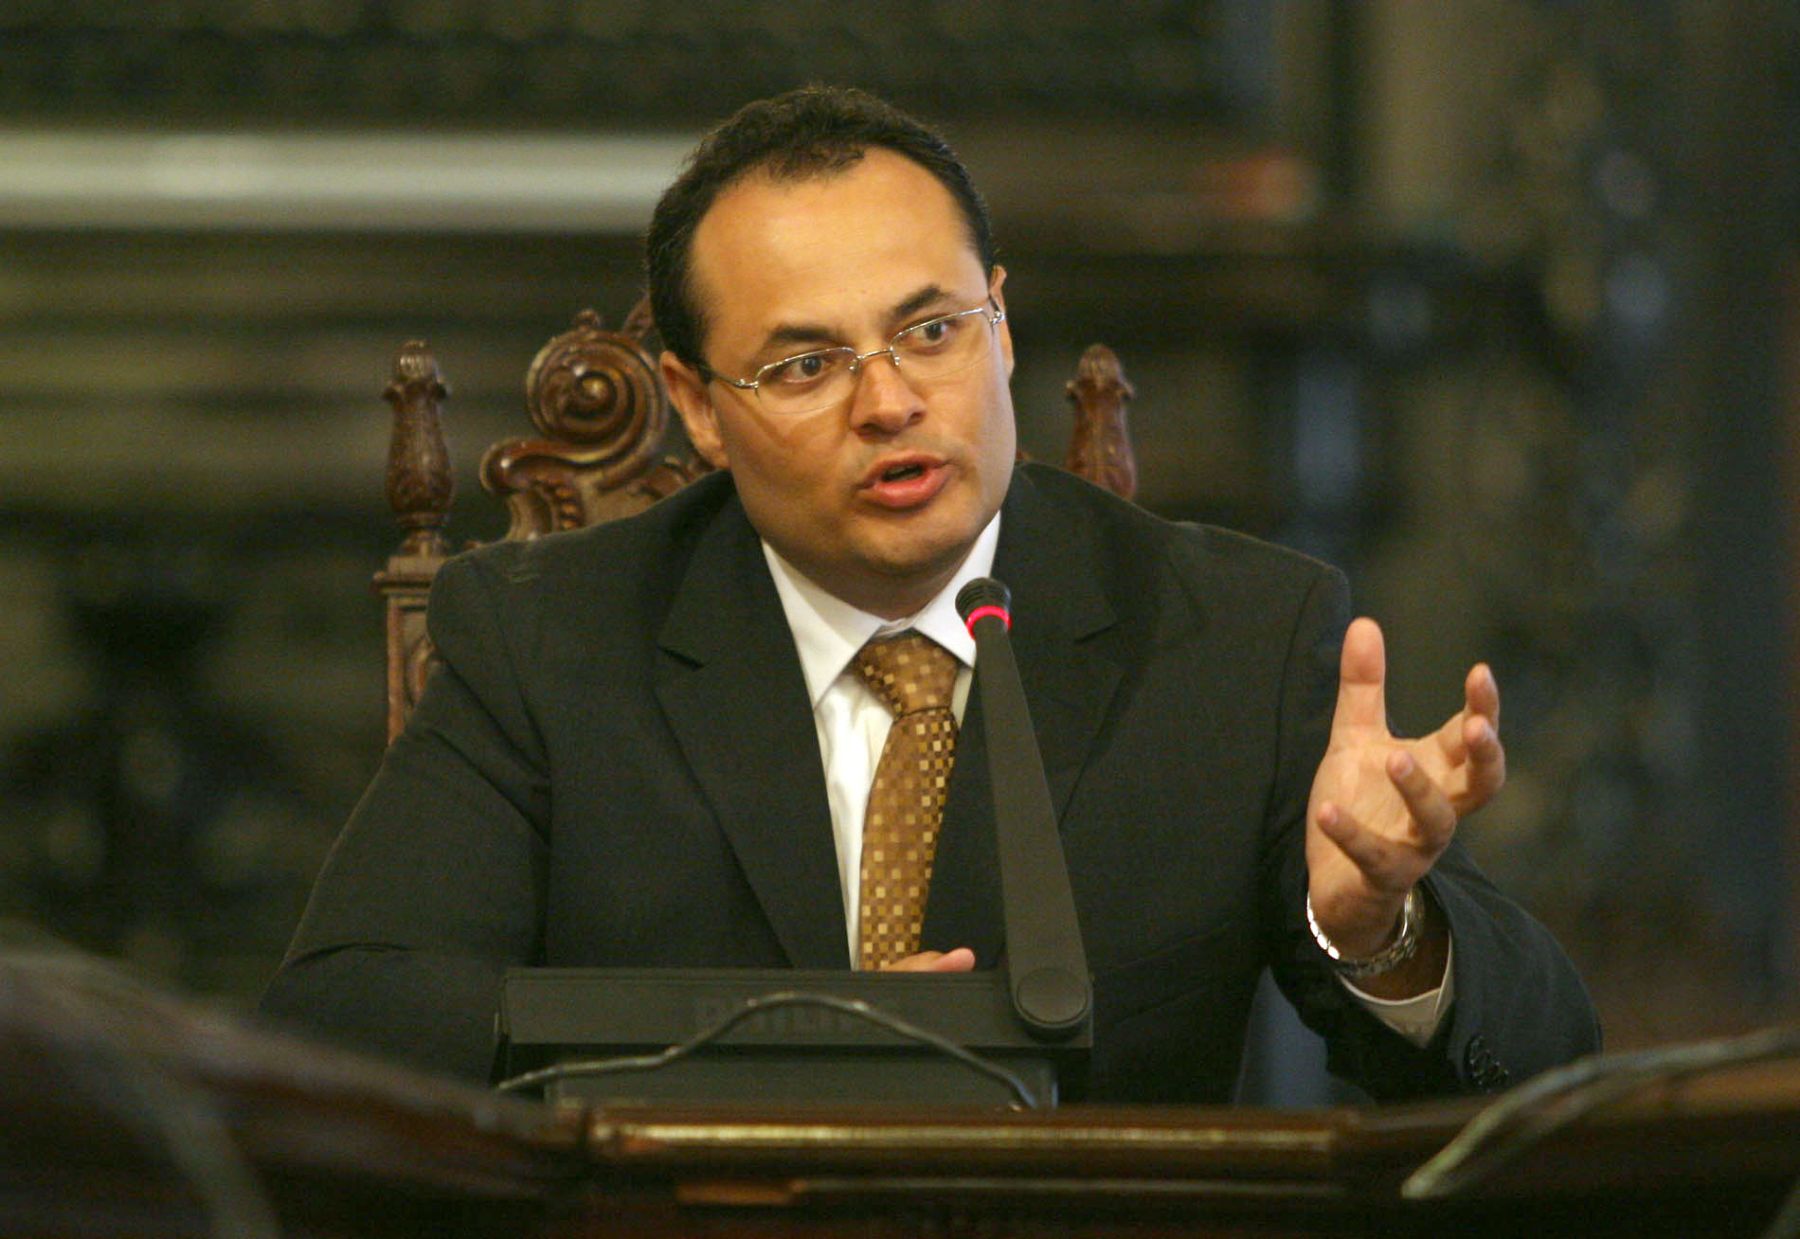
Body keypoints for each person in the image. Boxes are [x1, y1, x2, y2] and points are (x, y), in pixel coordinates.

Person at [262, 86, 1599, 1103]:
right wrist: (774, 1045)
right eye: (803, 366)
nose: (891, 400)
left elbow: (1544, 1068)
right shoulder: (548, 641)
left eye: (933, 329)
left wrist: (1382, 931)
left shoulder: (1233, 637)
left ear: (1003, 323)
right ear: (696, 409)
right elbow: (348, 1022)